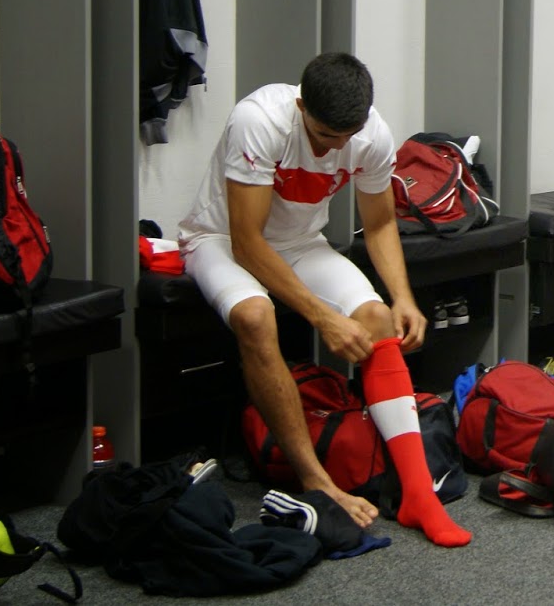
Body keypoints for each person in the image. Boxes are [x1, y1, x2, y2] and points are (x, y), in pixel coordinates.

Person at [179, 53, 469, 546]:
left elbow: (379, 222)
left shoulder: (371, 134)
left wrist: (402, 298)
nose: (333, 148)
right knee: (256, 315)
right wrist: (322, 317)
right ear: (301, 107)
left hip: (299, 244)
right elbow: (247, 242)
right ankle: (316, 480)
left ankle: (419, 496)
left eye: (344, 138)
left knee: (378, 320)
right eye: (323, 135)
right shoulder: (260, 119)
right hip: (220, 240)